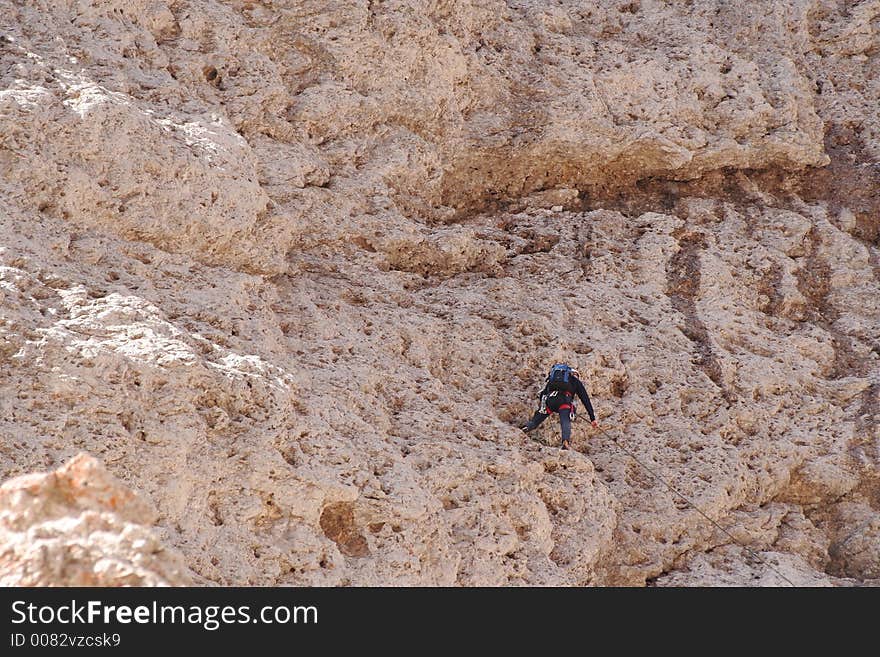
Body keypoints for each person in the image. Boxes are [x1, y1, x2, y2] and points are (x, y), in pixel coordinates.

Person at [520, 363, 598, 450]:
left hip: (550, 400)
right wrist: (592, 418)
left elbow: (543, 394)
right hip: (564, 401)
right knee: (565, 420)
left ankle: (527, 427)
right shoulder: (575, 381)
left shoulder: (553, 380)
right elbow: (585, 400)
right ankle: (565, 442)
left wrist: (544, 405)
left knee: (537, 419)